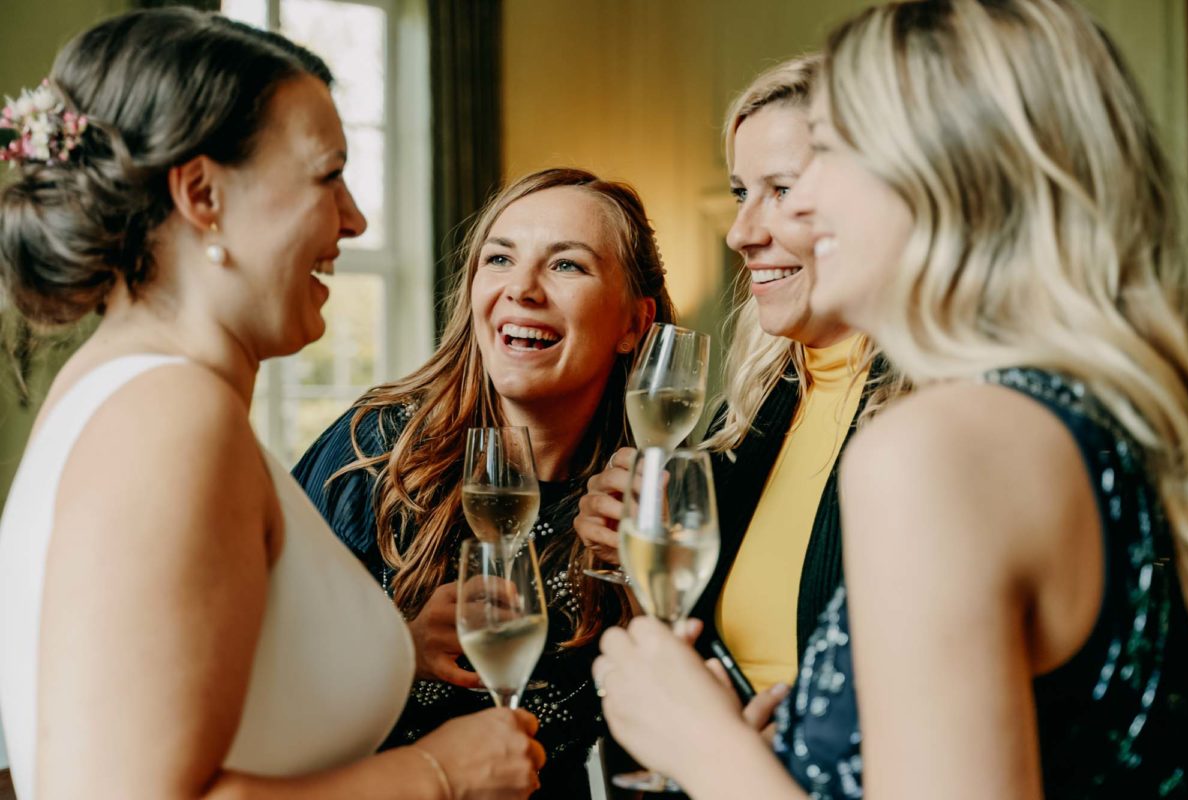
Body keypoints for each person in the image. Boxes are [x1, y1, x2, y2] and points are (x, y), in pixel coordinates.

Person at [593, 0, 1188, 797]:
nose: (795, 206)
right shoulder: (1093, 417)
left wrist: (699, 743)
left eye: (833, 155)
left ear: (953, 175)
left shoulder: (932, 447)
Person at [0, 9, 543, 798]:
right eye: (328, 176)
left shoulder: (121, 387)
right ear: (203, 193)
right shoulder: (171, 416)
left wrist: (386, 646)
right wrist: (442, 772)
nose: (355, 218)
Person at [293, 167, 675, 796]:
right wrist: (398, 651)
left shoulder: (646, 499)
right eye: (500, 258)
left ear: (635, 324)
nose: (521, 288)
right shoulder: (375, 447)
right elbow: (254, 667)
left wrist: (644, 581)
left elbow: (665, 739)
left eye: (567, 265)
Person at [575, 55, 892, 698]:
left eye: (783, 190)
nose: (740, 234)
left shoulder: (941, 418)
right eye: (742, 193)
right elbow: (698, 645)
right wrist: (639, 555)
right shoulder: (746, 415)